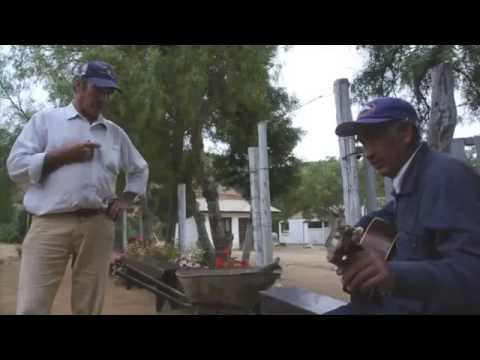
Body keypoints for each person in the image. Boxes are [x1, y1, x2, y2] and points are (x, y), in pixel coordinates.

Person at [7, 60, 149, 315]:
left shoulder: (115, 134)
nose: (103, 98)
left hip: (98, 224)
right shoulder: (46, 121)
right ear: (79, 86)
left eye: (109, 93)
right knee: (31, 305)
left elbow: (140, 168)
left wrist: (126, 198)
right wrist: (61, 156)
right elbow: (15, 166)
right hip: (49, 223)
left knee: (89, 308)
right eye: (98, 90)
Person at [326, 97, 480, 314]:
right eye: (363, 143)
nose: (368, 153)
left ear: (406, 132)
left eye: (374, 139)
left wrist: (395, 274)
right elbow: (392, 213)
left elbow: (473, 273)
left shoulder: (448, 177)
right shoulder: (407, 182)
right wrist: (351, 240)